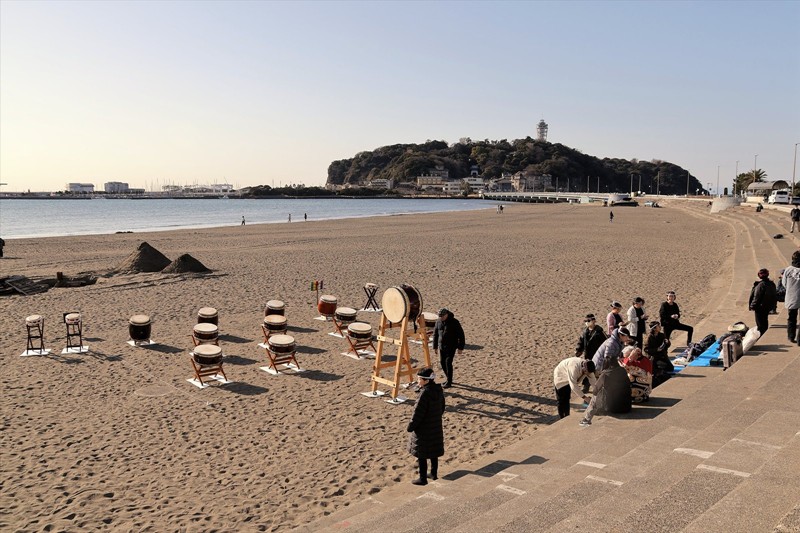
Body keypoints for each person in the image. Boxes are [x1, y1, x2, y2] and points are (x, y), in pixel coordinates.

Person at [406, 367, 445, 486]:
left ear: (426, 380)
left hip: (423, 428)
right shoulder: (438, 390)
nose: (418, 381)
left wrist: (411, 427)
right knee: (433, 451)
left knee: (422, 454)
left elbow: (418, 413)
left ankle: (422, 478)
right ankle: (433, 473)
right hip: (435, 425)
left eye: (419, 379)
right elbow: (442, 407)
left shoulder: (424, 394)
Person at [579, 355, 632, 426]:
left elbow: (595, 391)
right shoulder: (623, 371)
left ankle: (586, 419)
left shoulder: (605, 375)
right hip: (626, 407)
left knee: (595, 396)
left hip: (613, 408)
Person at [432, 307, 465, 388]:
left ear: (447, 314)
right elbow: (435, 334)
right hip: (441, 346)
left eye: (442, 316)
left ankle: (449, 382)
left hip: (451, 346)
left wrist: (460, 348)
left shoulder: (454, 322)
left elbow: (461, 335)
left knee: (448, 363)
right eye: (440, 316)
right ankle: (448, 378)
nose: (441, 318)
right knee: (442, 362)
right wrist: (435, 346)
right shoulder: (438, 321)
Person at [749, 268, 778, 336]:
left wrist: (752, 306)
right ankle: (764, 333)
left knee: (760, 323)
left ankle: (761, 335)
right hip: (767, 306)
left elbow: (757, 297)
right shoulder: (771, 283)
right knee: (765, 321)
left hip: (760, 307)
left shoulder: (761, 285)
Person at [644, 320, 673, 386]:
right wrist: (656, 349)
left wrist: (667, 342)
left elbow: (667, 346)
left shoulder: (661, 335)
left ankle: (659, 368)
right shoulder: (649, 338)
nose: (660, 327)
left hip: (662, 355)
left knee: (670, 368)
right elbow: (646, 349)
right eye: (658, 326)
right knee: (659, 369)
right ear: (654, 328)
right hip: (654, 357)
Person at [782, 250, 800, 345]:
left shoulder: (788, 269)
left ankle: (791, 336)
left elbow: (784, 283)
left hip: (792, 297)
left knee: (791, 318)